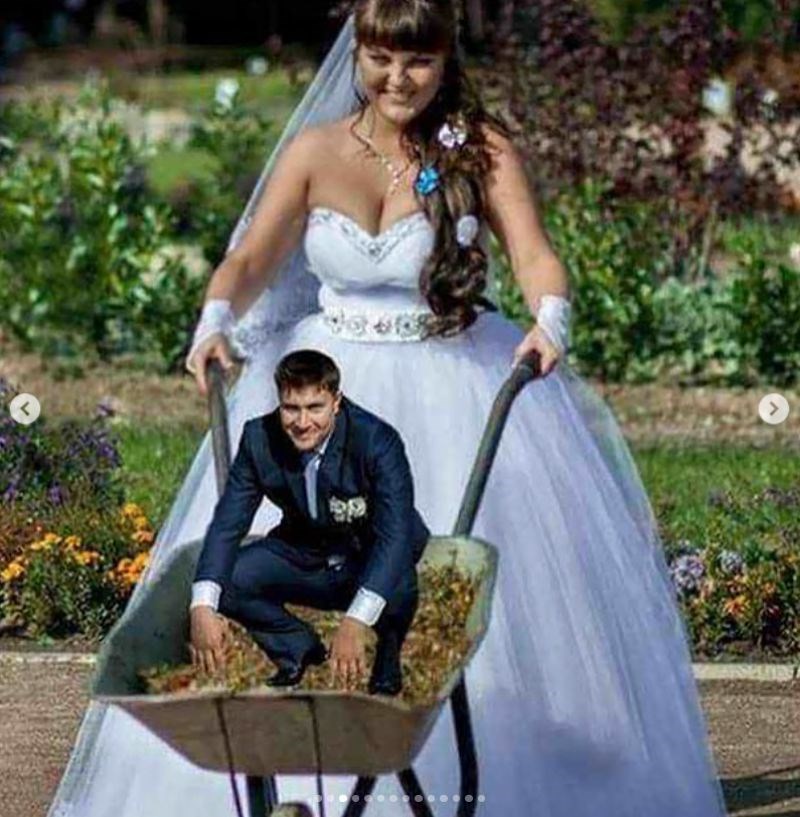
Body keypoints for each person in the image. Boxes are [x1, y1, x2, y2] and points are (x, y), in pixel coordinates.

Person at [48, 2, 728, 816]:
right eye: (381, 58)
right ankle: (293, 740)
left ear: (445, 61)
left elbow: (534, 254)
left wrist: (551, 319)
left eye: (418, 62)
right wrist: (216, 318)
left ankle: (494, 763)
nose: (398, 79)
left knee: (460, 591)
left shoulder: (479, 149)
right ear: (358, 55)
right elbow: (251, 257)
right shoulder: (316, 151)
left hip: (451, 378)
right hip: (322, 386)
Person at [190, 349, 427, 695]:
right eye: (291, 408)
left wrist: (356, 620)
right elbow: (228, 524)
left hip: (366, 553)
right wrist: (202, 605)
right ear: (279, 403)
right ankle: (299, 649)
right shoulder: (259, 438)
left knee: (399, 580)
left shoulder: (376, 440)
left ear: (336, 402)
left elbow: (396, 535)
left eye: (315, 407)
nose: (302, 423)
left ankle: (388, 655)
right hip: (305, 550)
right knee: (230, 580)